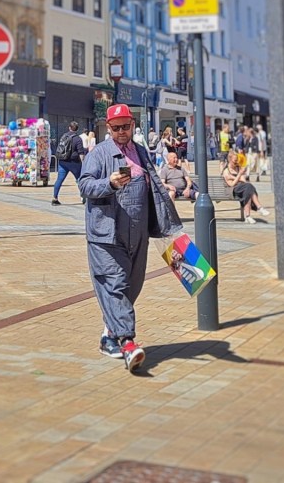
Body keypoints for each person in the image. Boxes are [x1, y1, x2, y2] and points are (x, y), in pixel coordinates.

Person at [78, 103, 185, 373]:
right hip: (106, 233)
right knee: (115, 284)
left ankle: (108, 335)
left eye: (126, 126)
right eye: (116, 128)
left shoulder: (140, 152)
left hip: (138, 232)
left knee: (131, 286)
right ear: (108, 128)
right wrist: (110, 183)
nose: (122, 131)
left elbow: (152, 185)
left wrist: (166, 199)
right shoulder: (99, 154)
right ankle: (127, 342)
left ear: (133, 125)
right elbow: (84, 184)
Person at [222, 153, 271, 224]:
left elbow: (244, 180)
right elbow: (231, 184)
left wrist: (233, 177)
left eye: (237, 160)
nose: (236, 162)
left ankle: (248, 216)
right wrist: (239, 175)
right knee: (249, 187)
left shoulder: (238, 168)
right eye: (234, 161)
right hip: (233, 190)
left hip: (243, 188)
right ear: (229, 160)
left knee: (248, 190)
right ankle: (259, 208)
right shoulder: (226, 171)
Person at [51, 121, 86, 206]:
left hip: (62, 161)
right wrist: (83, 163)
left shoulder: (64, 136)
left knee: (59, 180)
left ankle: (54, 198)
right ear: (77, 129)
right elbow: (81, 152)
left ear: (69, 128)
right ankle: (84, 197)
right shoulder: (77, 139)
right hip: (74, 162)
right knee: (80, 180)